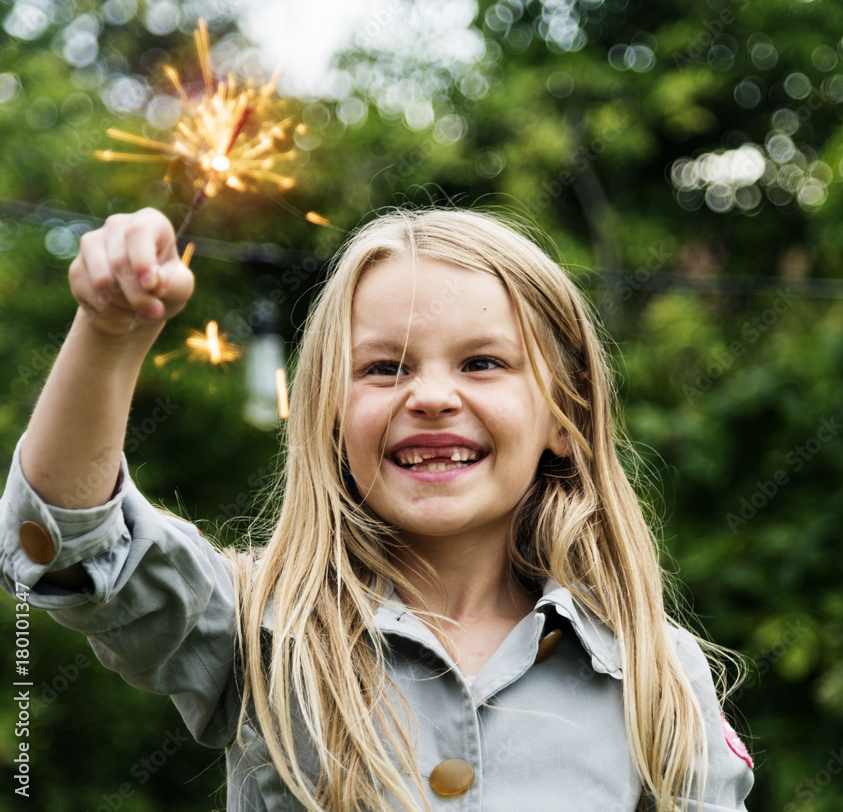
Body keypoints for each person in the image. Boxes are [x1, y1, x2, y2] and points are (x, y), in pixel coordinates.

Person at [1, 207, 754, 811]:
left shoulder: (657, 677)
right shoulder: (258, 627)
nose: (429, 395)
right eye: (384, 368)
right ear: (331, 417)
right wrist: (108, 332)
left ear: (564, 417)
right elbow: (64, 541)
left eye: (482, 363)